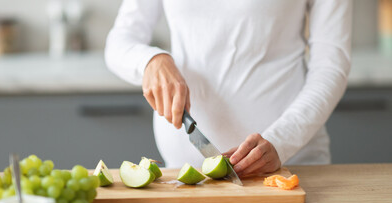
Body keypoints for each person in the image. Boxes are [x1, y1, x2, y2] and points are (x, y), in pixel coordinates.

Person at [105, 0, 352, 177]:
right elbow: (119, 42)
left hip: (291, 167)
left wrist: (281, 141)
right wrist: (149, 60)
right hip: (183, 175)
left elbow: (331, 65)